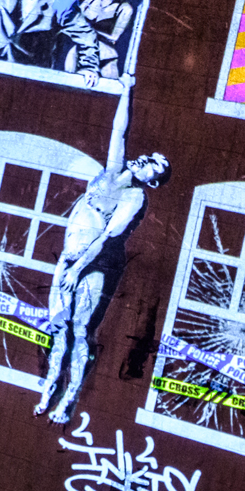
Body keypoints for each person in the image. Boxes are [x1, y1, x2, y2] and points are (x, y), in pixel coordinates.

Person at [36, 78, 169, 423]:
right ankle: (50, 385)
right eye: (149, 157)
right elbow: (119, 130)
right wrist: (127, 89)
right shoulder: (111, 172)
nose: (146, 160)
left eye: (155, 165)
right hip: (69, 260)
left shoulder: (134, 197)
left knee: (80, 331)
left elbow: (108, 238)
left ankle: (68, 398)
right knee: (59, 328)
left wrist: (78, 269)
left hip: (93, 267)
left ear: (152, 180)